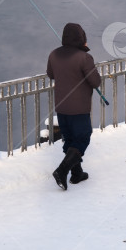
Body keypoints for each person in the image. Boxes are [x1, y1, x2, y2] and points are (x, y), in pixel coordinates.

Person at [47, 22, 101, 190]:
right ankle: (62, 170)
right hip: (79, 108)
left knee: (70, 139)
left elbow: (51, 74)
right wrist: (84, 53)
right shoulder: (84, 58)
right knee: (83, 136)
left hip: (62, 107)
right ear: (81, 38)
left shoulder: (54, 54)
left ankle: (77, 174)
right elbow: (95, 81)